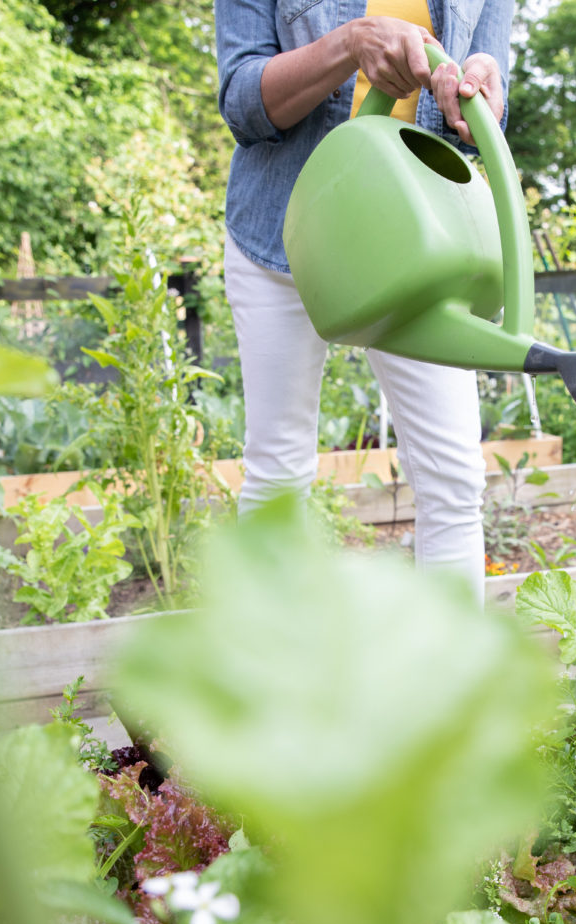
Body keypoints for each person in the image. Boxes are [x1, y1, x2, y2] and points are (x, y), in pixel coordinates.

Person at [215, 0, 514, 597]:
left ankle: (453, 686)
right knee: (277, 472)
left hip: (414, 238)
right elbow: (243, 103)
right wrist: (351, 43)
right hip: (285, 226)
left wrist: (482, 89)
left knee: (454, 478)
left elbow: (485, 120)